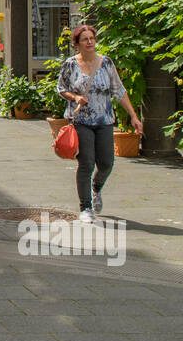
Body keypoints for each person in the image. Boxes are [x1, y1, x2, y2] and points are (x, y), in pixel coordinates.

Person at [56, 23, 142, 225]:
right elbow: (61, 89)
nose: (90, 42)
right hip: (81, 121)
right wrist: (75, 97)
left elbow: (118, 90)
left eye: (92, 38)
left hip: (104, 119)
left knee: (106, 163)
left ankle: (96, 187)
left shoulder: (106, 63)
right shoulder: (70, 64)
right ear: (77, 43)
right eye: (85, 39)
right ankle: (85, 207)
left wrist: (133, 116)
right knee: (86, 163)